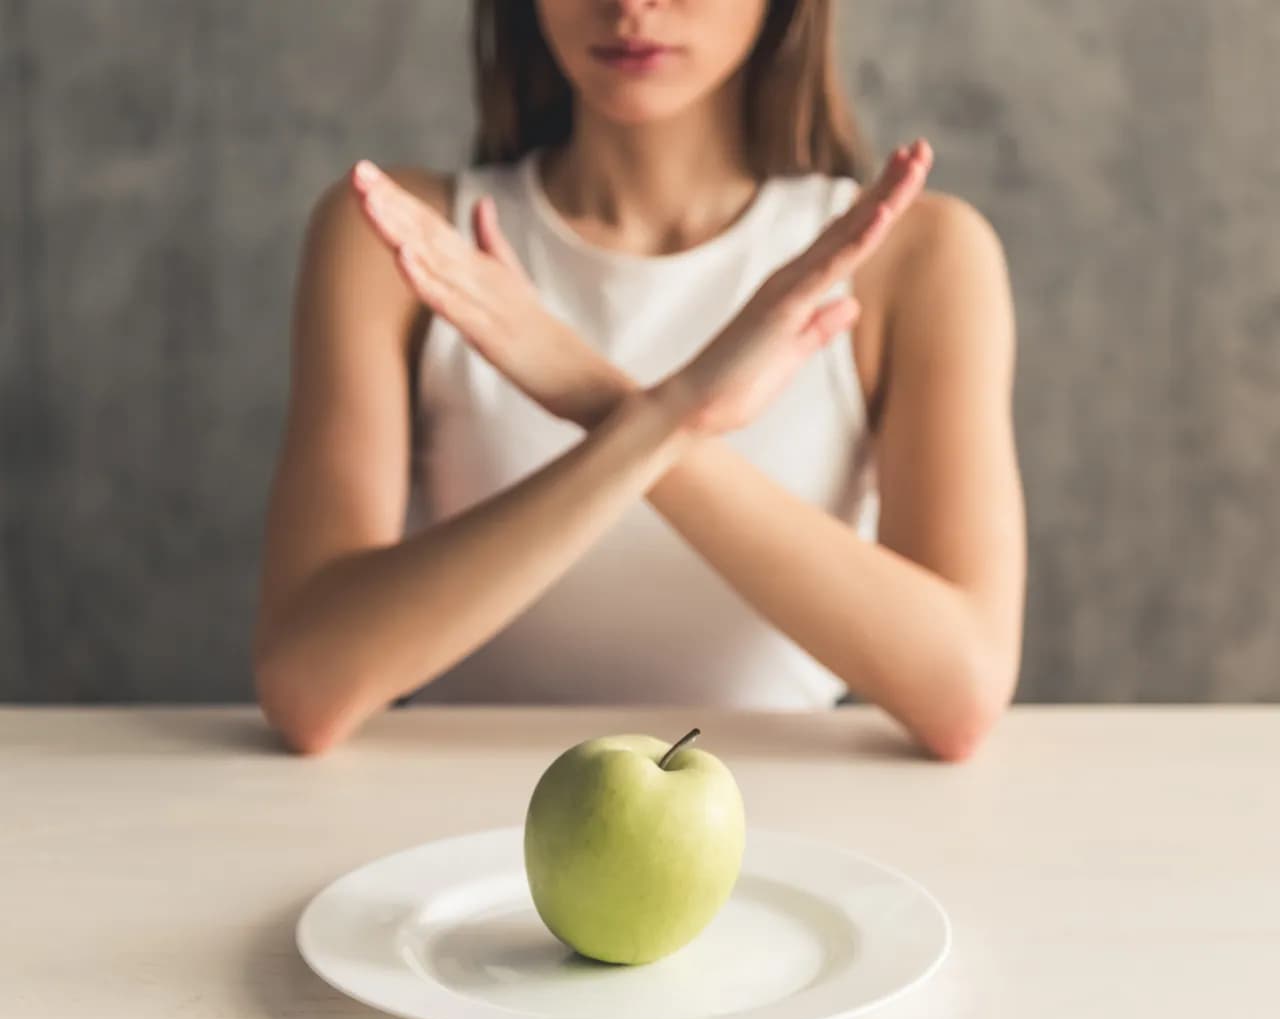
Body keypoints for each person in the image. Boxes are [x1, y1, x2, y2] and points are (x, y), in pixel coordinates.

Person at [252, 0, 1025, 760]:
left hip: (781, 820)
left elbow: (960, 690)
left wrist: (590, 389)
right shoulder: (398, 237)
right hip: (455, 828)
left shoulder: (919, 259)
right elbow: (306, 687)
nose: (630, 6)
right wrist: (670, 415)